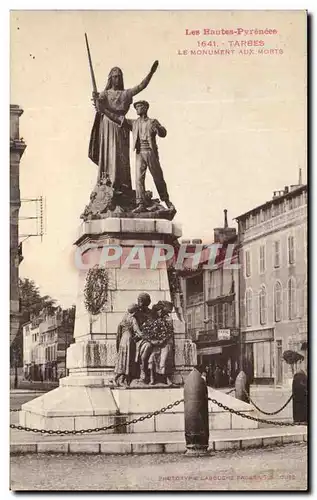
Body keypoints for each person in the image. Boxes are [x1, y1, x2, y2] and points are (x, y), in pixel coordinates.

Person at [89, 62, 159, 195]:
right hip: (108, 126)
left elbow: (141, 86)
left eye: (119, 76)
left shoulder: (126, 94)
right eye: (114, 76)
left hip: (122, 126)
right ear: (110, 79)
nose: (117, 79)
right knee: (110, 153)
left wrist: (151, 73)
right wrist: (96, 99)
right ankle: (109, 183)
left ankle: (122, 185)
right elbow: (99, 105)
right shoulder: (105, 94)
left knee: (121, 155)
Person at [126, 100, 175, 213]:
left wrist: (158, 129)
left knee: (157, 177)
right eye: (136, 107)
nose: (137, 109)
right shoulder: (134, 123)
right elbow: (120, 120)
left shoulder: (152, 122)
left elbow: (163, 133)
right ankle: (141, 203)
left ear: (145, 108)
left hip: (150, 152)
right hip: (139, 153)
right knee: (139, 179)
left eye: (139, 106)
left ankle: (166, 201)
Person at [114, 304, 143, 387]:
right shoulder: (133, 319)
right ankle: (124, 379)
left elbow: (118, 334)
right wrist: (146, 334)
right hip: (129, 341)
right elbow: (137, 331)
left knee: (122, 359)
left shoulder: (123, 319)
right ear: (134, 312)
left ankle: (120, 378)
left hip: (122, 341)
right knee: (127, 360)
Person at [147, 301, 175, 385]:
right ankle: (152, 378)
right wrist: (154, 341)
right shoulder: (153, 320)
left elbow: (170, 332)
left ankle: (167, 379)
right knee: (151, 359)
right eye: (158, 310)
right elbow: (148, 332)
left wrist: (163, 339)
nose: (159, 312)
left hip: (165, 343)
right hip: (155, 345)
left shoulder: (167, 319)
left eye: (161, 310)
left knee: (164, 358)